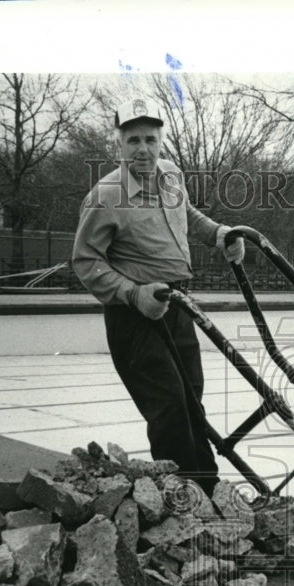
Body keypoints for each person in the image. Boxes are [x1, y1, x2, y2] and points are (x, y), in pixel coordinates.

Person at [72, 98, 245, 494]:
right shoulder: (106, 196)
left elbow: (189, 215)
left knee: (191, 399)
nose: (143, 150)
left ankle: (205, 489)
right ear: (119, 145)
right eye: (133, 140)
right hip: (136, 317)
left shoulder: (170, 175)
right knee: (168, 406)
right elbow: (85, 262)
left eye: (150, 139)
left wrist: (220, 235)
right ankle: (184, 497)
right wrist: (133, 295)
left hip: (178, 305)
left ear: (161, 140)